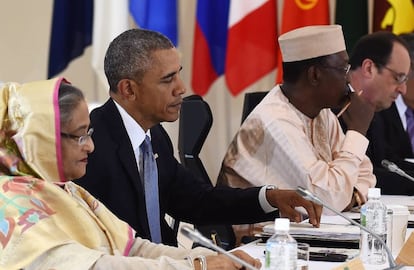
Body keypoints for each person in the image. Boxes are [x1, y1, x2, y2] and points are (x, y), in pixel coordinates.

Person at [76, 28, 321, 247]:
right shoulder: (91, 148)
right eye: (167, 79)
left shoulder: (154, 136)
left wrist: (270, 198)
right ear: (129, 89)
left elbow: (197, 201)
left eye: (178, 74)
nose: (181, 88)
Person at [0, 78, 262, 269]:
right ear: (40, 141)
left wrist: (205, 258)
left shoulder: (63, 188)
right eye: (80, 136)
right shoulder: (11, 203)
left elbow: (132, 247)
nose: (90, 145)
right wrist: (199, 266)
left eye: (88, 133)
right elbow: (96, 267)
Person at [218, 25, 376, 213]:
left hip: (303, 231)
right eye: (344, 69)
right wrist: (357, 130)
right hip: (259, 237)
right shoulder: (275, 122)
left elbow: (365, 174)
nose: (349, 79)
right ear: (315, 75)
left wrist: (350, 195)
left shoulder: (321, 113)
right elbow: (328, 202)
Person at [362, 33, 414, 195]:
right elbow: (370, 170)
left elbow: (392, 162)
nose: (402, 88)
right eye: (400, 77)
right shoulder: (377, 107)